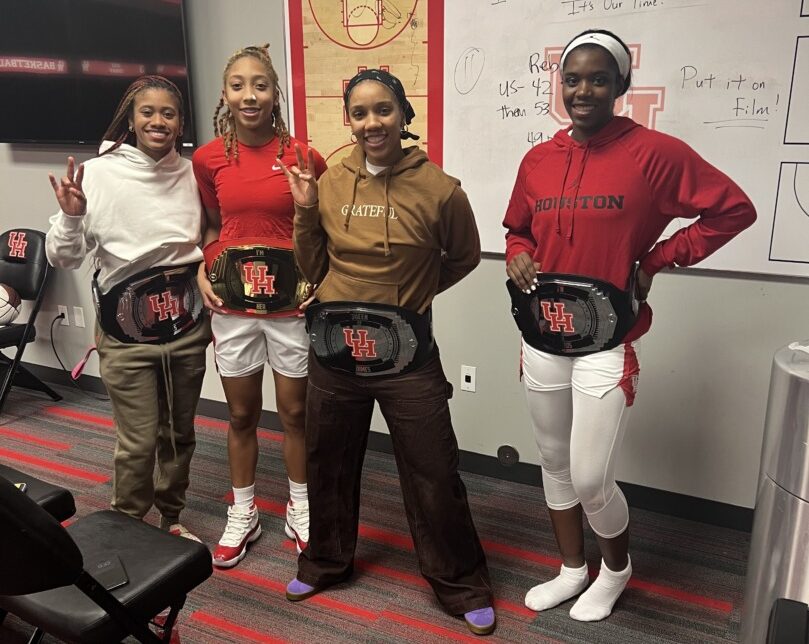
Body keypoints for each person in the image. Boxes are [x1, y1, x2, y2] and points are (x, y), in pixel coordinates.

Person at [503, 29, 757, 621]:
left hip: (606, 339)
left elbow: (732, 210)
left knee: (591, 477)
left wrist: (658, 258)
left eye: (598, 79)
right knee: (553, 462)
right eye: (572, 79)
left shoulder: (655, 154)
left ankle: (615, 570)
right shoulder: (538, 159)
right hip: (542, 333)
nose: (582, 90)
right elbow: (518, 228)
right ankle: (572, 569)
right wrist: (517, 251)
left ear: (621, 84)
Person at [281, 68, 496, 636]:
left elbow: (464, 257)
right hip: (335, 349)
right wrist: (305, 209)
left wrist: (414, 296)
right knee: (328, 461)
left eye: (383, 110)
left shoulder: (441, 190)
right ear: (349, 120)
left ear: (403, 114)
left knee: (434, 470)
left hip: (407, 356)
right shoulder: (330, 181)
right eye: (360, 113)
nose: (371, 122)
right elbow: (312, 267)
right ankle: (325, 561)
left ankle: (460, 582)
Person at [46, 75, 210, 541]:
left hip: (186, 326)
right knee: (138, 441)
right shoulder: (97, 174)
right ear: (131, 120)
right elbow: (63, 257)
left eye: (168, 113)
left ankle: (172, 518)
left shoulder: (193, 173)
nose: (158, 121)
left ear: (180, 123)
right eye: (148, 112)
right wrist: (72, 217)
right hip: (125, 334)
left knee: (179, 435)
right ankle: (129, 527)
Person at [192, 44, 327, 568]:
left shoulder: (304, 156)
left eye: (260, 85)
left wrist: (318, 278)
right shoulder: (207, 159)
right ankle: (244, 511)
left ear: (275, 95)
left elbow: (318, 230)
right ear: (225, 94)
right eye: (238, 85)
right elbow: (210, 226)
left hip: (290, 309)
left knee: (295, 413)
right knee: (241, 413)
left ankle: (300, 507)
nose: (249, 95)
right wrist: (204, 267)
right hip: (233, 307)